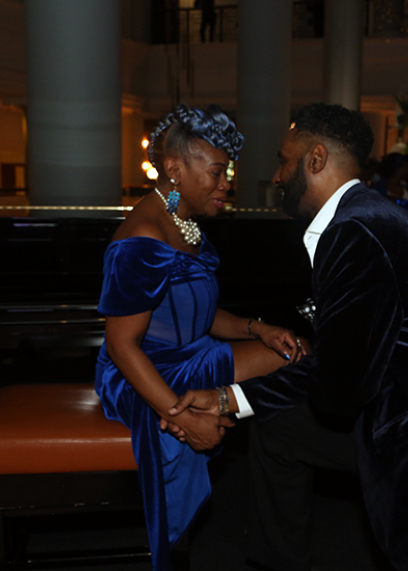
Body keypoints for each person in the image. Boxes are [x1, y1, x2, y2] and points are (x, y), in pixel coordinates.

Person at [168, 104, 408, 571]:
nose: (276, 176)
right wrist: (234, 398)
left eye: (284, 161)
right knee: (281, 430)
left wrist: (228, 399)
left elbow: (340, 388)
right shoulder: (364, 215)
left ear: (316, 159)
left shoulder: (354, 231)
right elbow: (346, 364)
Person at [95, 103, 309, 571]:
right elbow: (121, 345)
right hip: (141, 370)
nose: (226, 183)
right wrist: (179, 415)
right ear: (174, 168)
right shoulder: (143, 238)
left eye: (227, 171)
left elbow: (202, 314)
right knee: (290, 368)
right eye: (216, 172)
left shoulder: (184, 222)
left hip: (189, 354)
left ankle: (275, 480)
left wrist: (258, 328)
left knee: (295, 353)